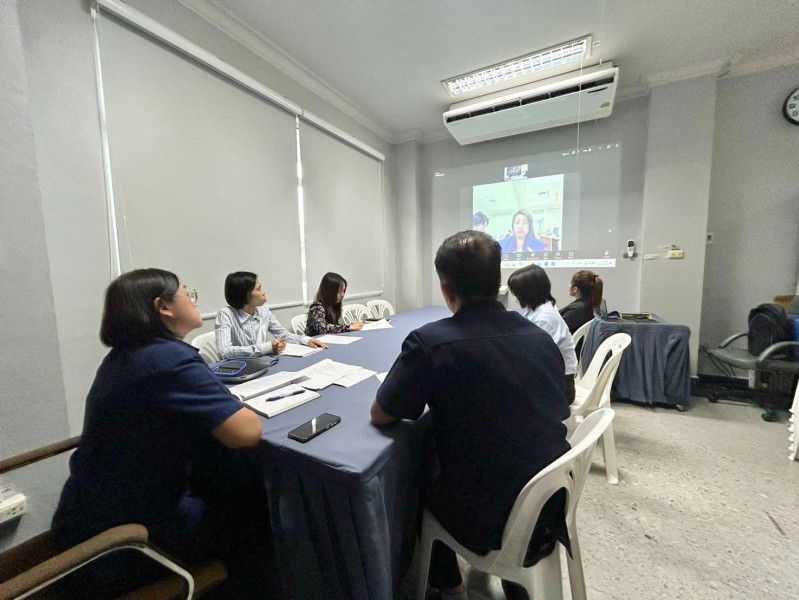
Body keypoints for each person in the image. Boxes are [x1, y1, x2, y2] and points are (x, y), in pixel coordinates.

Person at [370, 231, 570, 600]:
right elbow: (559, 406)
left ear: (445, 289)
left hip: (490, 521)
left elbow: (382, 414)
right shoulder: (540, 338)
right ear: (498, 280)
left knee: (415, 473)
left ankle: (449, 586)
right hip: (550, 507)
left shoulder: (430, 343)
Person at [50, 269, 274, 598]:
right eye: (187, 293)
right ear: (163, 307)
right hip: (124, 544)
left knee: (227, 473)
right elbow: (247, 432)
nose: (194, 300)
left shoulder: (123, 357)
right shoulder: (169, 359)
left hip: (83, 523)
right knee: (259, 512)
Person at [216, 271, 327, 359]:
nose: (264, 292)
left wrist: (306, 340)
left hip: (260, 365)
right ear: (245, 295)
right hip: (238, 371)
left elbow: (283, 334)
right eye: (259, 289)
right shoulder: (226, 314)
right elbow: (224, 351)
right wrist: (266, 348)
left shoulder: (263, 310)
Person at [508, 264, 578, 403]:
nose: (516, 297)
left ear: (527, 292)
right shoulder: (541, 308)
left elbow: (529, 359)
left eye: (516, 292)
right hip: (555, 378)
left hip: (561, 388)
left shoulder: (545, 319)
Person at [560, 269, 603, 334]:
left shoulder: (576, 310)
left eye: (571, 283)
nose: (569, 285)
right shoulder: (587, 306)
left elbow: (557, 328)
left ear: (575, 289)